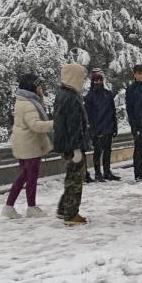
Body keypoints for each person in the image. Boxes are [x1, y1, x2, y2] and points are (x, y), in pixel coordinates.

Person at [3, 74, 54, 219]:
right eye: (38, 85)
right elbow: (36, 125)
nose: (41, 88)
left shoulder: (25, 101)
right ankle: (21, 207)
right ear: (32, 87)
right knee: (28, 177)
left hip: (25, 143)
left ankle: (17, 206)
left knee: (25, 176)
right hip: (29, 145)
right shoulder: (28, 104)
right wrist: (55, 124)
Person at [53, 63, 91, 225]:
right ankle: (71, 214)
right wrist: (76, 148)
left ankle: (63, 209)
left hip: (67, 144)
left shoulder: (62, 94)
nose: (83, 81)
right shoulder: (71, 98)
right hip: (72, 145)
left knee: (71, 177)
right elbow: (73, 125)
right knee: (75, 180)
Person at [84, 68, 120, 182]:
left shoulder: (108, 94)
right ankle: (98, 173)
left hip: (108, 127)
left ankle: (107, 172)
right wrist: (93, 130)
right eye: (96, 80)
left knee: (107, 151)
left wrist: (115, 127)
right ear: (92, 81)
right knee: (97, 152)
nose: (98, 82)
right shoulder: (89, 97)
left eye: (100, 80)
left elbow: (113, 111)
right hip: (97, 129)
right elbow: (89, 116)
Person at [126, 65, 142, 181]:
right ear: (135, 74)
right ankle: (138, 174)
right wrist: (133, 125)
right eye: (138, 73)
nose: (141, 75)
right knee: (138, 150)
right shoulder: (131, 89)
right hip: (138, 124)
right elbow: (130, 109)